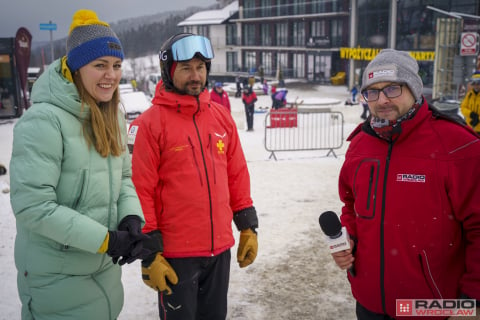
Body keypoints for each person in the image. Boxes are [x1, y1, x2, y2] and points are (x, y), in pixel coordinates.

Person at [9, 9, 151, 320]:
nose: (110, 75)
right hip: (56, 281)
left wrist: (130, 217)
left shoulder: (112, 114)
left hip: (103, 273)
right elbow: (33, 206)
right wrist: (106, 239)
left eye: (115, 65)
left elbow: (124, 176)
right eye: (99, 65)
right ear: (76, 67)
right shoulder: (43, 121)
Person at [331, 49, 480, 319]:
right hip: (369, 301)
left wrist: (473, 301)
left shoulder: (458, 146)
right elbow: (351, 204)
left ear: (414, 89)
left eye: (392, 88)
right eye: (372, 92)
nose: (382, 99)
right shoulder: (361, 144)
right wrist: (349, 238)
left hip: (430, 306)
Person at [127, 33, 259, 320]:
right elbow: (141, 190)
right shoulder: (149, 124)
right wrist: (149, 254)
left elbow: (236, 175)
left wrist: (248, 226)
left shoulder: (220, 117)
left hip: (219, 250)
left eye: (200, 67)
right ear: (169, 71)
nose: (195, 76)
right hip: (175, 255)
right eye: (186, 68)